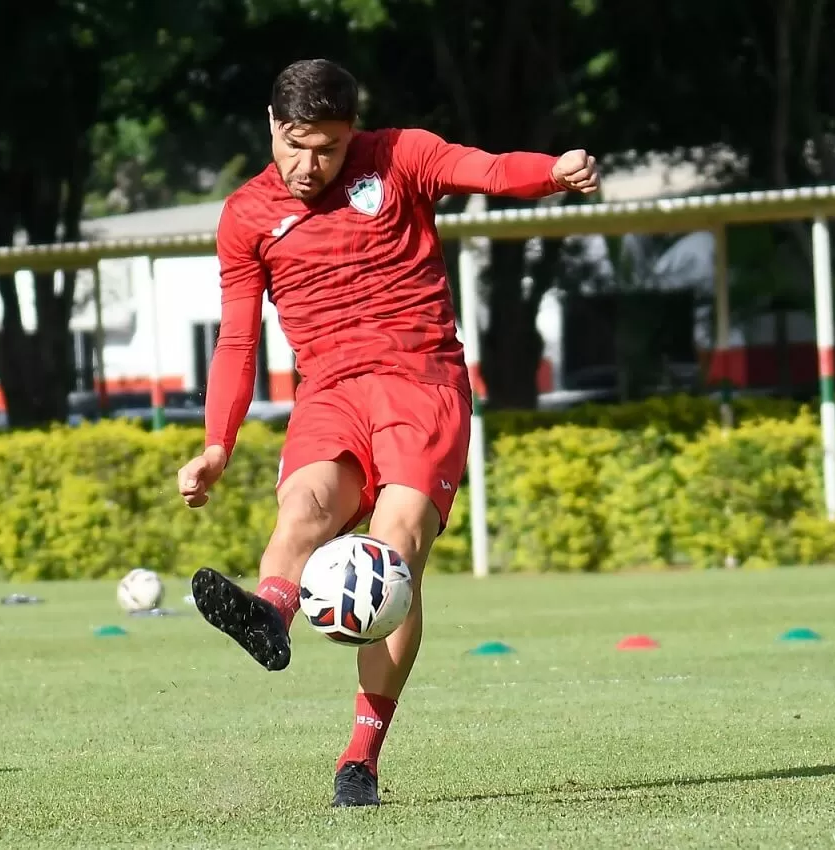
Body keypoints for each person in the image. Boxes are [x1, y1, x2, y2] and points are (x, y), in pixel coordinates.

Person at [176, 58, 600, 808]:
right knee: (303, 508)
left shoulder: (401, 156)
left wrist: (552, 173)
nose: (310, 166)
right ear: (272, 125)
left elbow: (487, 170)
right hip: (329, 391)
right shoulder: (245, 215)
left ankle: (359, 760)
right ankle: (270, 614)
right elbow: (237, 341)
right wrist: (218, 445)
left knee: (394, 552)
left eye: (329, 149)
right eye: (296, 145)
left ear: (353, 133)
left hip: (421, 382)